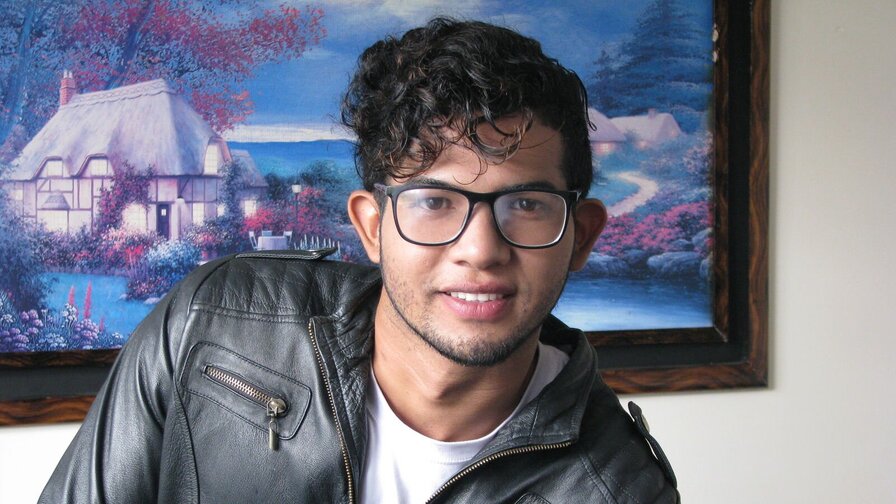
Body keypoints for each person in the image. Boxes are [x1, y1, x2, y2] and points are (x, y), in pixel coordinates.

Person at [41, 18, 678, 503]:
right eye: (434, 202)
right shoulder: (209, 322)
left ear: (581, 236)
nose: (481, 250)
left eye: (527, 205)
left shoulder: (620, 489)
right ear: (372, 227)